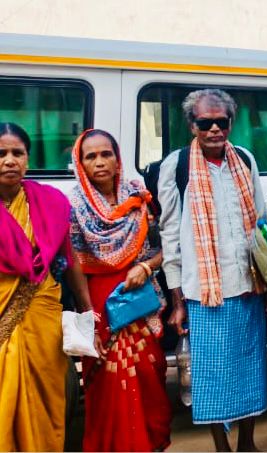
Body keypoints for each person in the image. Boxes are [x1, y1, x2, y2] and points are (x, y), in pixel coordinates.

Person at [158, 89, 267, 451]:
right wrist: (177, 301)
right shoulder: (177, 166)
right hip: (205, 294)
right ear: (192, 125)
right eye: (206, 123)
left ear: (231, 123)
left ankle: (247, 442)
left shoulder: (245, 159)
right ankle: (222, 446)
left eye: (222, 121)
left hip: (248, 285)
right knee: (213, 375)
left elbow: (261, 223)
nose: (215, 129)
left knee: (250, 366)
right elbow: (170, 235)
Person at [67, 129, 172, 451]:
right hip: (100, 302)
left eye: (106, 154)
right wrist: (89, 319)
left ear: (117, 159)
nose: (99, 162)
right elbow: (75, 266)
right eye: (91, 156)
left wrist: (146, 267)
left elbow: (167, 247)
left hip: (140, 299)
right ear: (81, 163)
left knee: (149, 370)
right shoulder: (75, 205)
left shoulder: (139, 196)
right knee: (108, 379)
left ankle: (149, 443)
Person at [0, 122, 96, 452]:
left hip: (44, 319)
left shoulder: (49, 203)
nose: (9, 160)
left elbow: (69, 260)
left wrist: (86, 311)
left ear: (28, 159)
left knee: (48, 399)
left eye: (17, 153)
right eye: (1, 153)